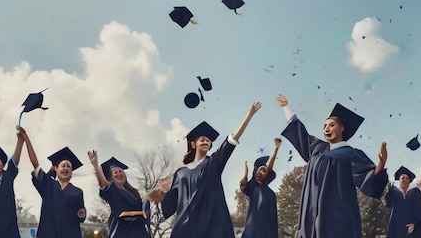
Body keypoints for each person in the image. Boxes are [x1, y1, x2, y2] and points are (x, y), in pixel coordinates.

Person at [276, 94, 388, 238]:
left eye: (331, 125)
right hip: (310, 216)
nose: (326, 128)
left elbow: (368, 177)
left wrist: (381, 162)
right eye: (324, 126)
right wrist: (287, 107)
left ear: (342, 128)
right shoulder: (317, 148)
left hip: (337, 217)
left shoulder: (350, 154)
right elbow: (300, 132)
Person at [147, 101, 263, 238]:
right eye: (202, 139)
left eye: (208, 140)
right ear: (193, 144)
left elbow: (232, 141)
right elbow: (172, 201)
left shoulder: (212, 164)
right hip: (185, 228)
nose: (206, 142)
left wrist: (249, 115)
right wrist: (160, 198)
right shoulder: (180, 172)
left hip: (210, 225)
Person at [20, 128, 86, 238]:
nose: (65, 168)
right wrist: (26, 138)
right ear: (55, 168)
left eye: (68, 166)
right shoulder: (48, 185)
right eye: (63, 165)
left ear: (72, 171)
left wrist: (81, 214)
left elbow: (80, 216)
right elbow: (35, 164)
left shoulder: (78, 192)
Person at [87, 152, 151, 238]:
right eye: (115, 172)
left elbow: (143, 210)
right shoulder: (112, 190)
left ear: (124, 174)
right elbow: (104, 184)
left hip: (138, 230)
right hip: (121, 230)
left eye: (120, 171)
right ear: (111, 177)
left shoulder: (133, 192)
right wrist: (96, 167)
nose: (118, 174)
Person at [239, 137, 281, 238]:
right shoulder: (253, 186)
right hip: (252, 232)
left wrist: (276, 148)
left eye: (263, 171)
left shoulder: (271, 194)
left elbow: (273, 219)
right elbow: (244, 186)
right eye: (259, 169)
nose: (260, 172)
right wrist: (246, 174)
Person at [384, 166, 421, 238]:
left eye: (407, 178)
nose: (405, 180)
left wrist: (413, 222)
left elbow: (419, 209)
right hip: (397, 226)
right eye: (402, 178)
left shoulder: (415, 192)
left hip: (413, 227)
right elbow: (388, 203)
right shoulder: (394, 192)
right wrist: (388, 191)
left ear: (410, 181)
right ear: (399, 180)